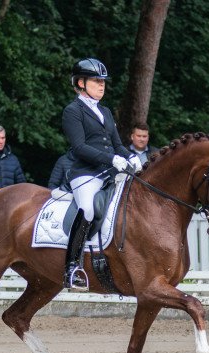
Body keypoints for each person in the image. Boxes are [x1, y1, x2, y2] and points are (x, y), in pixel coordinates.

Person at [62, 57, 142, 290]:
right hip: (85, 174)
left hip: (109, 172)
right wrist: (112, 159)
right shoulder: (72, 111)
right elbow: (79, 147)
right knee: (87, 209)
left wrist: (130, 156)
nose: (101, 84)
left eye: (103, 81)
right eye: (96, 81)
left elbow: (116, 144)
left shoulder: (105, 111)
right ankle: (71, 268)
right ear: (80, 83)